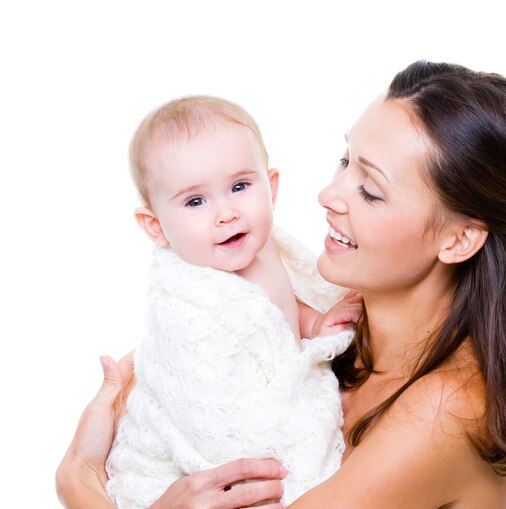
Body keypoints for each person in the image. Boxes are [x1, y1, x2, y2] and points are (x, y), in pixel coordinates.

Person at [57, 60, 506, 508]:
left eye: (370, 190)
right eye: (344, 159)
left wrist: (77, 475)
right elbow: (160, 385)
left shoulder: (444, 412)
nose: (329, 194)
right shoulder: (336, 316)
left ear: (460, 240)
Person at [98, 96, 362, 508]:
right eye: (195, 201)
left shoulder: (260, 244)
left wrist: (314, 325)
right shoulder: (190, 307)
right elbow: (211, 413)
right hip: (205, 450)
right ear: (156, 227)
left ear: (271, 187)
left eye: (240, 187)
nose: (226, 213)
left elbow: (283, 308)